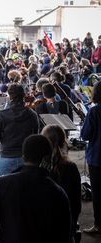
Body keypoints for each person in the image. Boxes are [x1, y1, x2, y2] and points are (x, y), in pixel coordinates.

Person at [0, 135, 72, 243]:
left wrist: (7, 230)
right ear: (47, 159)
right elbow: (64, 236)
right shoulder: (59, 193)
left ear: (23, 156)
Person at [41, 125, 81, 239]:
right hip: (65, 224)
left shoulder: (38, 165)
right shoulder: (71, 167)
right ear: (63, 141)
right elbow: (76, 203)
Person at [0, 84, 39, 175]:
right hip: (26, 158)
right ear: (24, 96)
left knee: (6, 188)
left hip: (7, 157)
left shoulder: (2, 114)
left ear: (9, 96)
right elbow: (35, 137)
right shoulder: (32, 114)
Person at [81, 81, 101, 234]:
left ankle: (99, 225)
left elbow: (86, 134)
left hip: (98, 157)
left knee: (98, 192)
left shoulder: (94, 111)